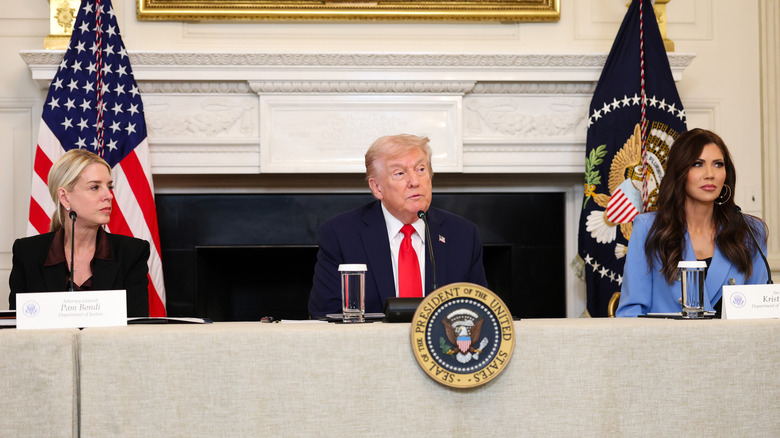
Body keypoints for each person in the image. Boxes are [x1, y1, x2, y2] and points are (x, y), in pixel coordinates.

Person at [308, 134, 488, 318]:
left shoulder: (463, 235)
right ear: (377, 188)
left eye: (420, 169)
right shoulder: (341, 235)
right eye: (400, 173)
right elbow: (324, 317)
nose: (415, 182)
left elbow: (480, 313)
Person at [617, 128, 768, 317]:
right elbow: (631, 312)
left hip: (733, 344)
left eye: (718, 164)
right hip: (667, 344)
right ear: (679, 172)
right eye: (698, 164)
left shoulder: (751, 231)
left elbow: (761, 313)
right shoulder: (648, 228)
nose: (710, 174)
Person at [9, 149, 150, 317]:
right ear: (65, 197)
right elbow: (17, 328)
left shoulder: (132, 253)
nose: (109, 195)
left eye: (109, 186)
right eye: (95, 187)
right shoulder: (27, 253)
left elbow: (137, 328)